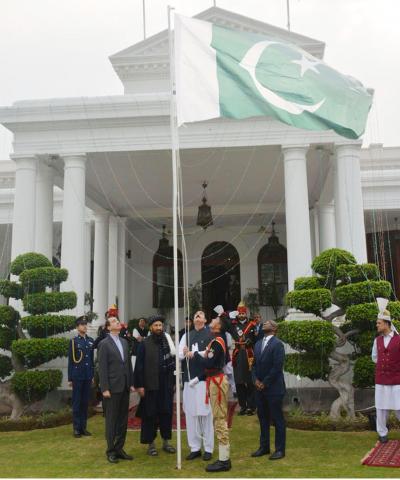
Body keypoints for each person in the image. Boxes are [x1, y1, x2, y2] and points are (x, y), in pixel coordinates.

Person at [186, 316, 231, 472]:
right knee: (218, 419)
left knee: (219, 420)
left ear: (218, 326)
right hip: (214, 380)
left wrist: (195, 355)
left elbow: (210, 363)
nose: (212, 320)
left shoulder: (217, 342)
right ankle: (224, 458)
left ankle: (224, 460)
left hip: (217, 383)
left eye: (215, 320)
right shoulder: (216, 340)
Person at [134, 314, 176, 456]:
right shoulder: (144, 344)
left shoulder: (168, 342)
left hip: (166, 385)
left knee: (166, 414)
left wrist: (174, 383)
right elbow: (139, 367)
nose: (159, 328)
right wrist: (139, 386)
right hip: (150, 386)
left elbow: (173, 364)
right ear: (151, 327)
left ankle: (166, 442)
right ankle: (151, 445)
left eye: (160, 325)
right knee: (150, 415)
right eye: (156, 325)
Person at [98, 316, 135, 463]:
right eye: (113, 321)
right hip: (112, 389)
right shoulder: (104, 344)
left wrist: (131, 382)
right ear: (108, 327)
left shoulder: (125, 342)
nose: (117, 322)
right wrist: (105, 388)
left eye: (117, 320)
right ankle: (110, 451)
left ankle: (119, 448)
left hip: (124, 386)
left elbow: (128, 365)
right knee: (111, 421)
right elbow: (102, 368)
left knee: (123, 420)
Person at [179, 311, 214, 461]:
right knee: (191, 414)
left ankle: (208, 448)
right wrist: (185, 352)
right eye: (196, 315)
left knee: (205, 414)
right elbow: (180, 354)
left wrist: (195, 353)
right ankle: (194, 447)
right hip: (188, 379)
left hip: (203, 380)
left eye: (201, 314)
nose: (198, 316)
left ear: (205, 320)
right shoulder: (186, 335)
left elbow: (211, 354)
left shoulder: (211, 335)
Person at [251, 319, 286, 460]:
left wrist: (264, 382)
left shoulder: (278, 345)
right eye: (264, 323)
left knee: (277, 419)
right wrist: (255, 380)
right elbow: (253, 365)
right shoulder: (258, 344)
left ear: (274, 328)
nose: (264, 324)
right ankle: (264, 447)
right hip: (259, 389)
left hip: (274, 389)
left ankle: (280, 450)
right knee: (263, 419)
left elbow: (277, 367)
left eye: (268, 323)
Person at [372, 297, 400, 443]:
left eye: (379, 323)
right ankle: (382, 433)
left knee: (399, 408)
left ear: (387, 323)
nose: (377, 325)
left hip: (397, 379)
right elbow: (374, 357)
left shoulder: (399, 339)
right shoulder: (377, 341)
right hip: (381, 379)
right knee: (381, 408)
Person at [68, 315, 94, 438]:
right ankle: (76, 428)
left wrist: (92, 375)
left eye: (86, 324)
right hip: (77, 376)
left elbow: (92, 361)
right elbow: (71, 361)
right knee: (77, 402)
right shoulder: (74, 341)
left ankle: (83, 427)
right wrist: (70, 378)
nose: (85, 326)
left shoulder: (90, 340)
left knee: (85, 402)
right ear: (77, 327)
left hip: (88, 375)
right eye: (82, 324)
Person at [230, 302, 257, 415]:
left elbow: (257, 339)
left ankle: (251, 406)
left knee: (250, 381)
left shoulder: (252, 325)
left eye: (243, 313)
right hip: (238, 355)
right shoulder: (233, 325)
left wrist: (252, 341)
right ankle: (243, 406)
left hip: (249, 354)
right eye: (239, 313)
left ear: (246, 314)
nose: (241, 315)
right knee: (239, 381)